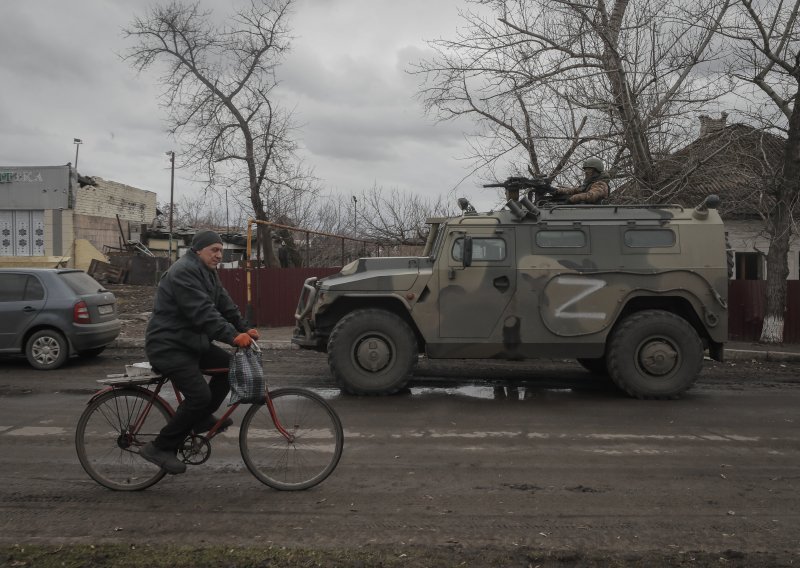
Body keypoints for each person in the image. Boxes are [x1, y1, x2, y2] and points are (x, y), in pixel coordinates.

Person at [140, 229, 259, 475]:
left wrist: (245, 328)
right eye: (214, 250)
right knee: (200, 397)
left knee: (230, 369)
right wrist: (233, 336)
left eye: (221, 251)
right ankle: (160, 447)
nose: (219, 256)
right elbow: (203, 312)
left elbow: (225, 304)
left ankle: (200, 419)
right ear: (198, 250)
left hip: (191, 343)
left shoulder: (208, 272)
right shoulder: (184, 272)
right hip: (168, 345)